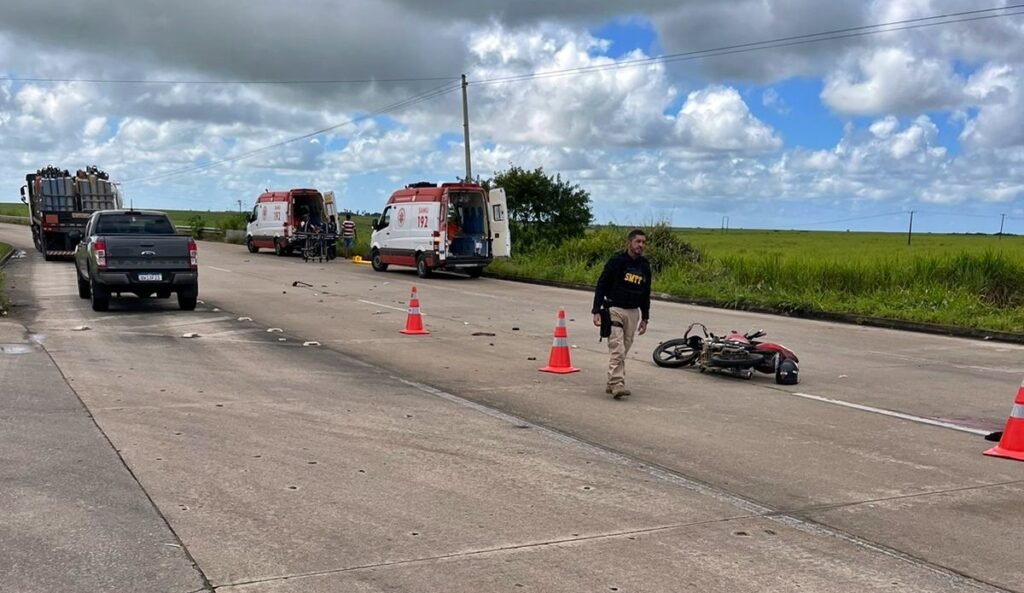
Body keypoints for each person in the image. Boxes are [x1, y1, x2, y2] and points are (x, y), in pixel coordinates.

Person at [592, 229, 651, 399]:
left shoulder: (644, 266)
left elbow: (646, 293)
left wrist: (645, 317)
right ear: (629, 243)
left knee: (624, 349)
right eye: (638, 241)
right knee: (617, 349)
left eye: (643, 242)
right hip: (614, 310)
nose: (641, 245)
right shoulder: (616, 261)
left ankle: (611, 382)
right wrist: (596, 310)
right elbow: (601, 284)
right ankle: (618, 383)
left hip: (633, 312)